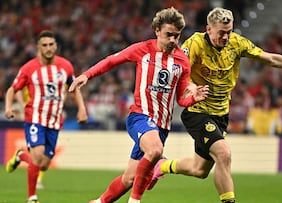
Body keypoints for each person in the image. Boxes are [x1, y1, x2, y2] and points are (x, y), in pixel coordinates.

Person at [148, 7, 282, 203]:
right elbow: (179, 70)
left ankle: (162, 166)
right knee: (223, 153)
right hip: (197, 110)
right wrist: (192, 87)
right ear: (209, 29)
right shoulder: (195, 44)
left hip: (221, 114)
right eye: (221, 32)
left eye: (229, 31)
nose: (226, 37)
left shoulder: (237, 44)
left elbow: (270, 58)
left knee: (199, 169)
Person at [68, 7, 208, 203]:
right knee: (155, 151)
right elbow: (111, 61)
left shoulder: (182, 61)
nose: (173, 40)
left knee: (129, 178)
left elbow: (181, 100)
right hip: (140, 117)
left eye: (176, 36)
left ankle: (99, 202)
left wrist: (193, 98)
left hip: (161, 127)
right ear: (157, 30)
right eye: (169, 35)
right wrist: (86, 75)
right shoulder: (142, 49)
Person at [4, 30, 88, 203]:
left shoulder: (66, 66)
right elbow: (13, 89)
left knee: (43, 164)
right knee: (37, 155)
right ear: (38, 47)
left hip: (54, 120)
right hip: (34, 117)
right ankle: (32, 197)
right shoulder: (29, 68)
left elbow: (74, 88)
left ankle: (20, 156)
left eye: (51, 45)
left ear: (56, 46)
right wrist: (9, 107)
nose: (48, 48)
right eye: (44, 45)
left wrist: (82, 108)